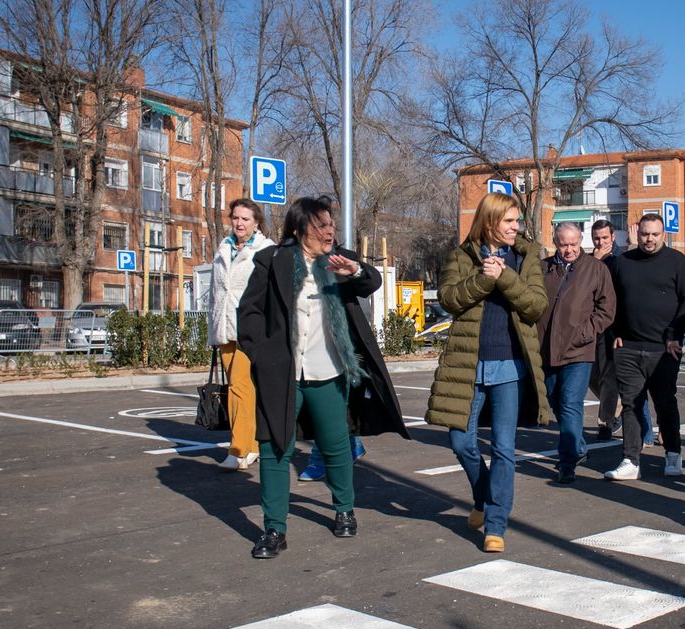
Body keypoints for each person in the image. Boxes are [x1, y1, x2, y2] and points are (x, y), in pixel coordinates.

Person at [237, 196, 409, 559]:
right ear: (300, 230)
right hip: (282, 374)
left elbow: (371, 280)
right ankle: (274, 529)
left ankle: (344, 510)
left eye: (331, 225)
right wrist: (263, 354)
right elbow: (249, 311)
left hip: (328, 372)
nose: (329, 231)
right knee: (274, 448)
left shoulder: (338, 260)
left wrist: (356, 272)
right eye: (321, 226)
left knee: (336, 446)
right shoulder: (273, 260)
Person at [426, 192, 550, 553]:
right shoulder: (463, 256)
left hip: (510, 364)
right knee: (460, 441)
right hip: (468, 363)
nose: (516, 228)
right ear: (491, 220)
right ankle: (483, 497)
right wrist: (483, 279)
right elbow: (448, 299)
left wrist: (505, 276)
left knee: (504, 448)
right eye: (509, 221)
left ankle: (495, 524)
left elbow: (536, 307)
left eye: (518, 221)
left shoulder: (526, 258)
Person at [602, 213, 685, 481]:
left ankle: (673, 454)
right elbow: (612, 300)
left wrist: (674, 335)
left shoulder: (677, 262)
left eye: (655, 234)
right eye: (645, 234)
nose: (650, 239)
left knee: (665, 403)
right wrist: (616, 331)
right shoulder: (623, 262)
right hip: (629, 347)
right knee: (631, 404)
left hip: (664, 348)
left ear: (663, 235)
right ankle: (631, 460)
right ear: (637, 234)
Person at [538, 223, 616, 483]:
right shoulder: (543, 268)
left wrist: (587, 332)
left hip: (580, 350)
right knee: (554, 400)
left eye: (574, 244)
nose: (569, 249)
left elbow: (607, 309)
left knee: (571, 402)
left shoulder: (596, 269)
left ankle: (567, 462)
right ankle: (579, 447)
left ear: (580, 241)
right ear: (555, 242)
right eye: (563, 244)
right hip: (546, 349)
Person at [209, 198, 275, 471]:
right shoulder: (223, 248)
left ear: (256, 222)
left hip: (251, 329)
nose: (239, 223)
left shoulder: (266, 250)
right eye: (235, 217)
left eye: (245, 219)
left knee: (240, 386)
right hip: (224, 328)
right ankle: (255, 446)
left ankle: (238, 449)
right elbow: (215, 293)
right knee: (242, 390)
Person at [589, 219, 622, 440]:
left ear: (613, 237)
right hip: (592, 325)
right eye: (596, 238)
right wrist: (595, 262)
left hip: (613, 326)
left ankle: (606, 422)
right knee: (591, 375)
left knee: (608, 376)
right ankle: (615, 406)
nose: (601, 242)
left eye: (604, 238)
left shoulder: (620, 261)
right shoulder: (590, 260)